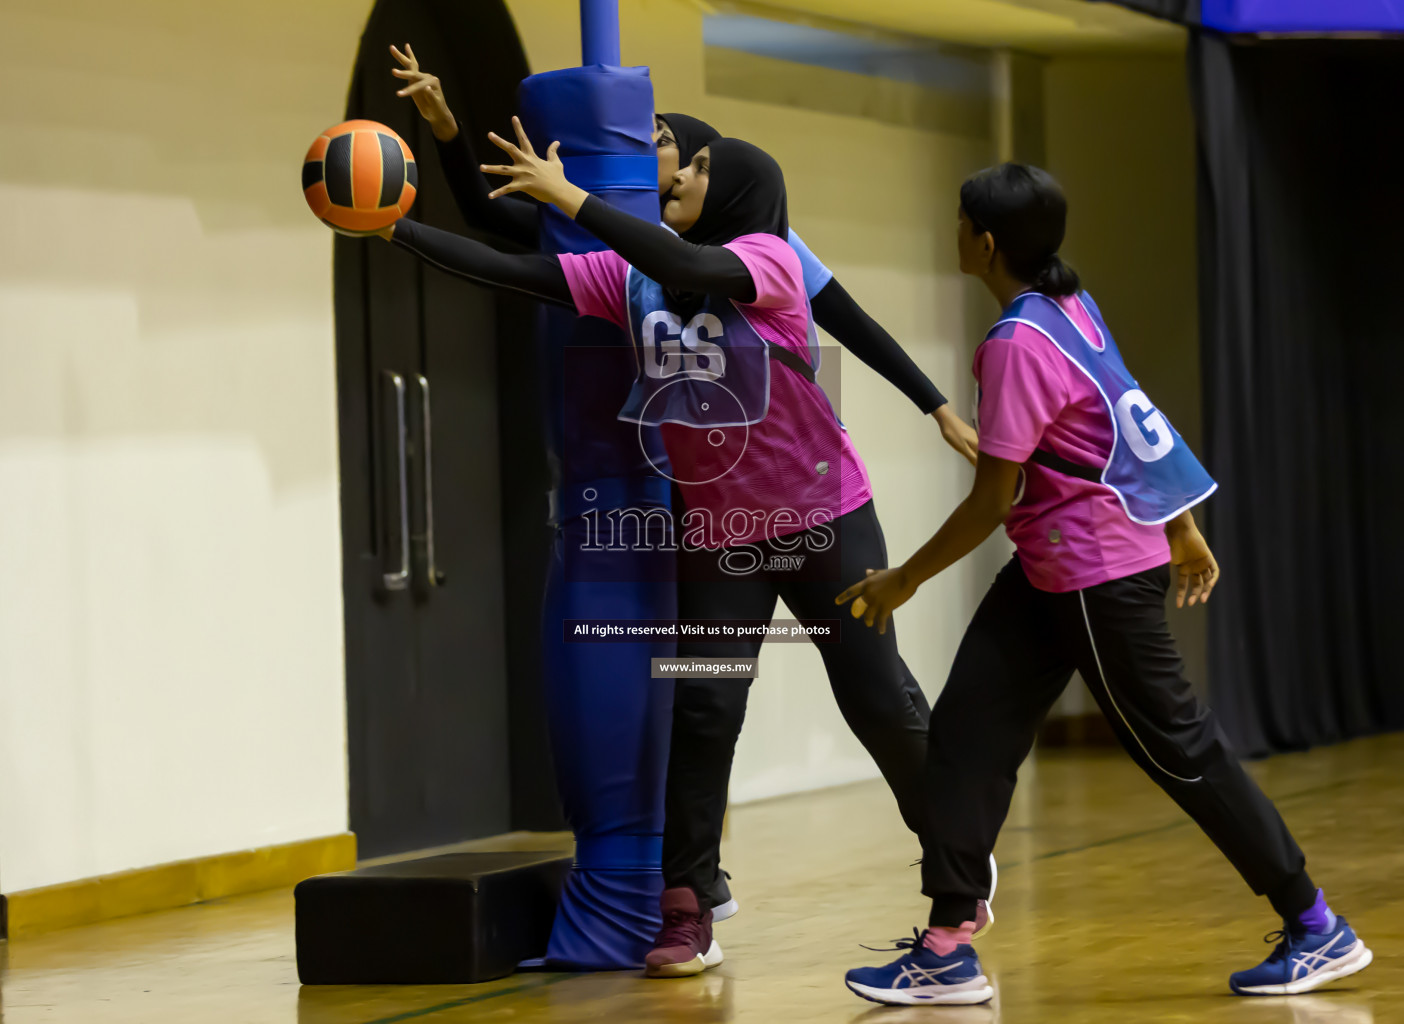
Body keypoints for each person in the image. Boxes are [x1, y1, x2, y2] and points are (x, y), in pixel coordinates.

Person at [375, 118, 994, 977]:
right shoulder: (628, 273)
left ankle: (959, 870)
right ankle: (687, 907)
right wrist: (392, 227)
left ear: (738, 190)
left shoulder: (765, 259)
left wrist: (572, 196)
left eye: (700, 164)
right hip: (719, 531)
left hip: (825, 516)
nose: (682, 172)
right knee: (702, 712)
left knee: (878, 701)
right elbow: (512, 269)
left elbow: (692, 267)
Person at [836, 163, 1373, 1006]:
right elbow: (1126, 421)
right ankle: (946, 948)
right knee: (969, 733)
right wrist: (1184, 524)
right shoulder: (1068, 308)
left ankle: (1316, 925)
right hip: (1054, 566)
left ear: (983, 242)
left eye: (958, 222)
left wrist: (904, 578)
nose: (952, 233)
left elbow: (991, 502)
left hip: (1093, 575)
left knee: (1179, 751)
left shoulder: (1016, 343)